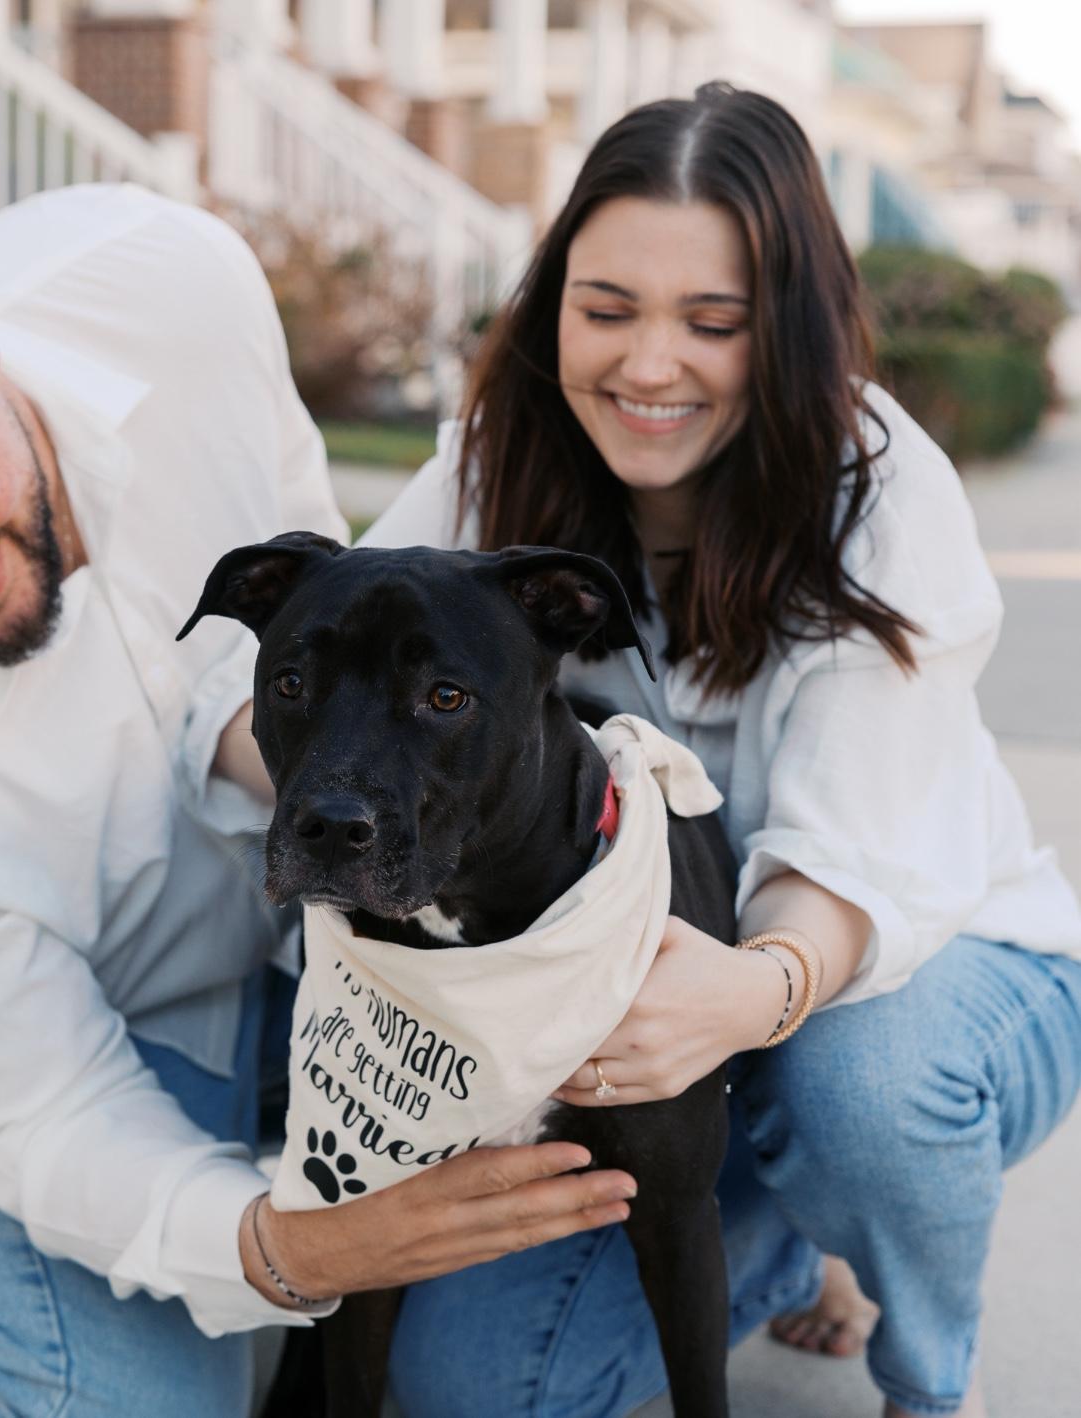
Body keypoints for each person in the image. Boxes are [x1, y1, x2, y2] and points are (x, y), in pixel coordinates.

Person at [0, 186, 636, 1417]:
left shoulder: (170, 276)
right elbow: (50, 1113)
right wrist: (293, 1249)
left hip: (270, 947)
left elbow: (313, 600)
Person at [361, 83, 1081, 1418]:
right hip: (657, 1032)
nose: (648, 366)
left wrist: (754, 992)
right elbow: (305, 676)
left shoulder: (878, 491)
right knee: (475, 1386)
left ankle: (927, 1369)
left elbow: (839, 867)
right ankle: (786, 1225)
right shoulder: (491, 468)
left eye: (712, 322)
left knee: (856, 1084)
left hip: (920, 983)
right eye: (606, 309)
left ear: (788, 330)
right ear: (552, 305)